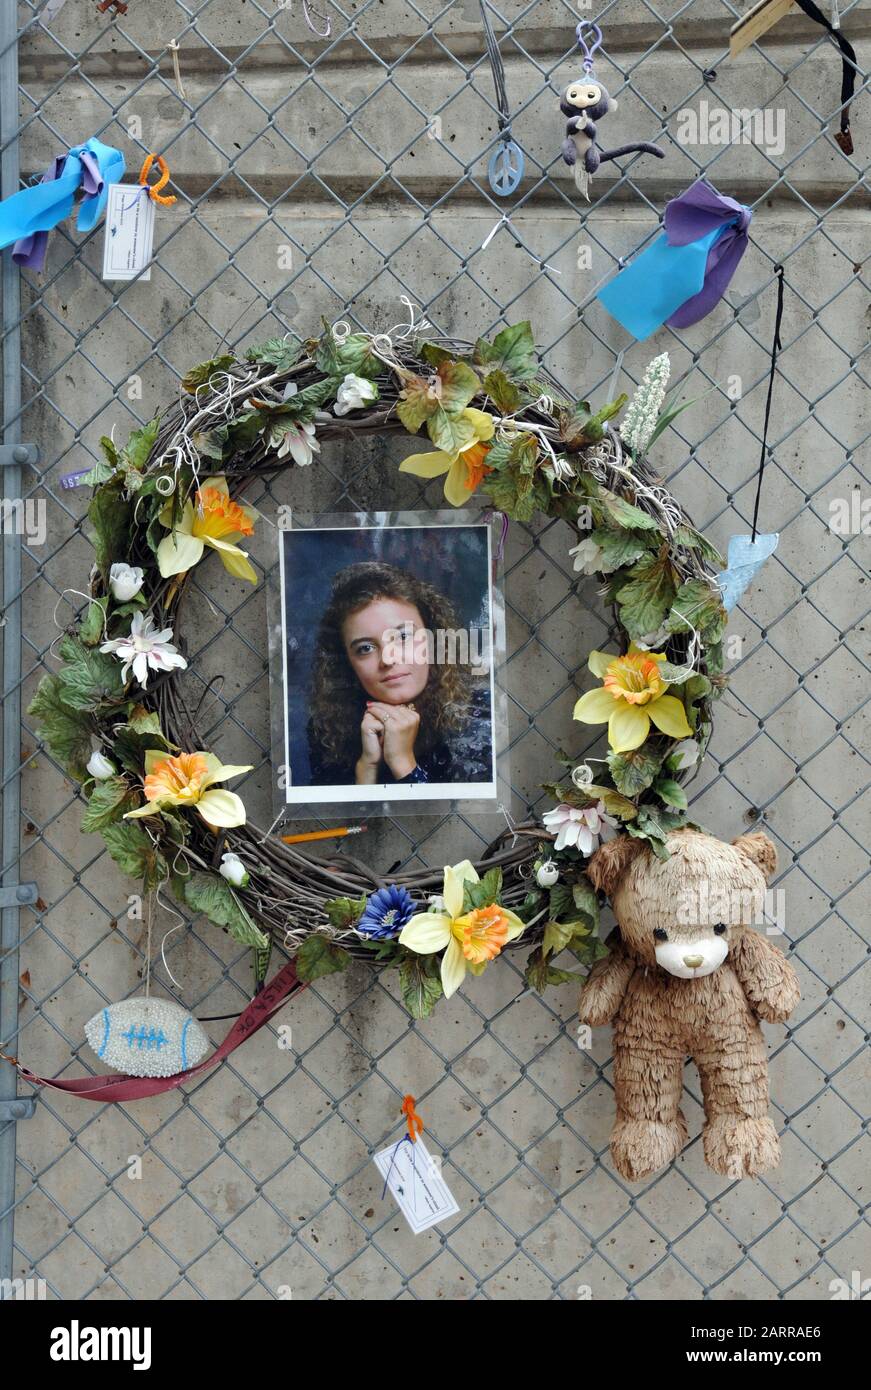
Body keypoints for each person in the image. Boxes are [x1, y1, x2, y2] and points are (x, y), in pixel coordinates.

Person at [305, 561, 492, 787]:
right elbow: (350, 823)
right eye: (365, 648)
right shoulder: (328, 732)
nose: (388, 659)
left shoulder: (480, 713)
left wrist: (402, 761)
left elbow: (458, 819)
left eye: (403, 637)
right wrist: (367, 768)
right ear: (346, 662)